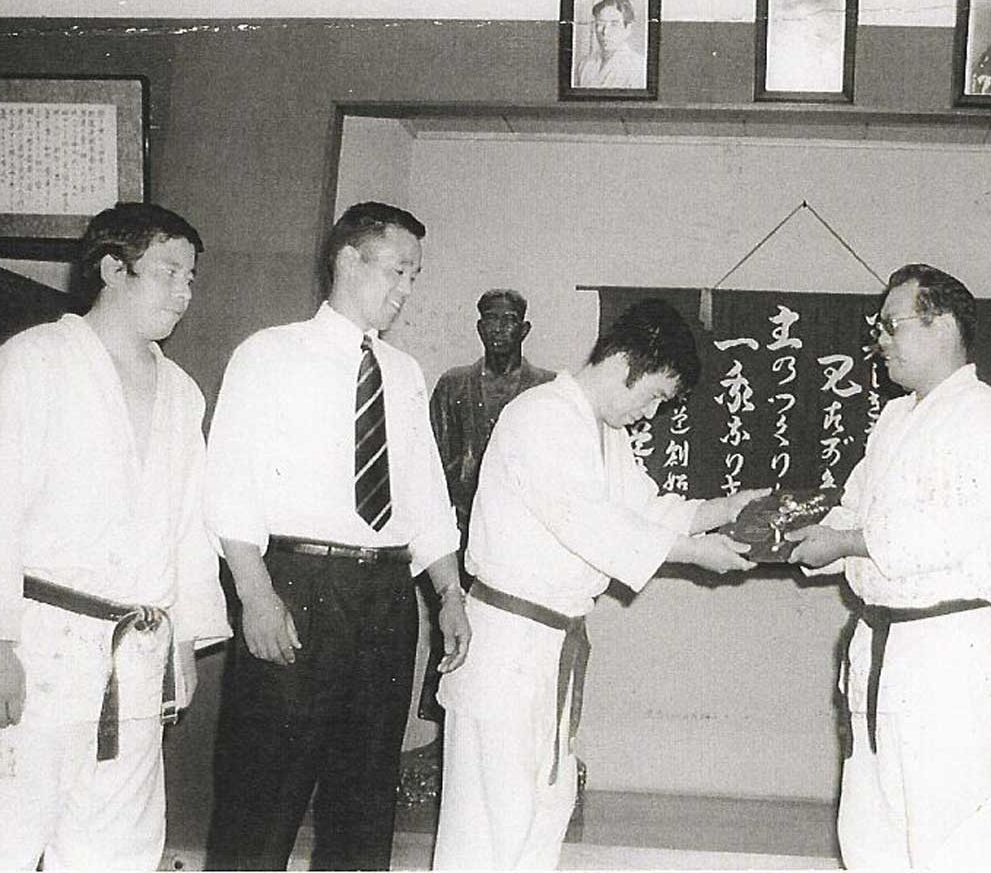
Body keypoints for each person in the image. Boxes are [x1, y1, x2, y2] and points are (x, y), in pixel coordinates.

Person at [0, 202, 230, 869]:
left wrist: (182, 640)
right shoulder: (34, 361)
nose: (185, 291)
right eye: (169, 272)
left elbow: (186, 528)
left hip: (136, 658)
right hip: (37, 651)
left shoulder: (182, 393)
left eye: (191, 277)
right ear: (113, 268)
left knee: (118, 848)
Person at [432, 298, 765, 870]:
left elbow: (647, 510)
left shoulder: (602, 431)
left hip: (550, 643)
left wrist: (726, 507)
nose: (652, 414)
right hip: (510, 641)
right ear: (628, 362)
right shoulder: (543, 415)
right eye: (656, 395)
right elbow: (589, 521)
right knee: (492, 824)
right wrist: (693, 554)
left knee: (544, 810)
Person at [203, 200, 471, 871]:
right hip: (296, 582)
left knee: (364, 798)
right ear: (349, 258)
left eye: (415, 275)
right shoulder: (268, 353)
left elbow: (424, 497)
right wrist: (256, 594)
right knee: (261, 793)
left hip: (384, 592)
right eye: (399, 270)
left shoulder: (405, 374)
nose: (407, 288)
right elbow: (229, 484)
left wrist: (449, 593)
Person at [785, 264, 991, 869]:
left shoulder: (987, 418)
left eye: (891, 326)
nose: (880, 340)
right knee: (871, 831)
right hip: (881, 643)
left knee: (951, 837)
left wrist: (844, 544)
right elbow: (853, 509)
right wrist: (790, 532)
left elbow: (946, 529)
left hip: (950, 650)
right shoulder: (896, 419)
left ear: (942, 325)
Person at [419, 288, 556, 720]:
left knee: (516, 638)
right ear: (479, 327)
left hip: (523, 537)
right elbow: (432, 464)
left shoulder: (546, 388)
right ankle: (446, 724)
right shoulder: (453, 384)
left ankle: (513, 721)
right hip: (460, 532)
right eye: (491, 320)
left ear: (525, 328)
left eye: (509, 319)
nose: (499, 328)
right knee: (456, 627)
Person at [575, 0, 647, 89]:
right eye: (600, 24)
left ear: (628, 29)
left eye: (614, 24)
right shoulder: (584, 65)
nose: (605, 32)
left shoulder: (638, 67)